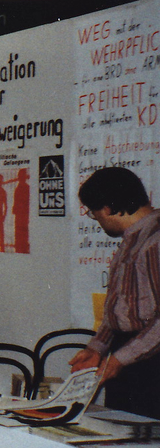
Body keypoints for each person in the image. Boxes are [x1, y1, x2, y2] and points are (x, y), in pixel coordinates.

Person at [70, 167, 160, 420]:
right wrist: (97, 348)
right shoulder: (132, 240)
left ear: (108, 208)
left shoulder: (155, 242)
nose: (96, 219)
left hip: (151, 363)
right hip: (128, 354)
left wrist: (120, 359)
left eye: (94, 212)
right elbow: (120, 308)